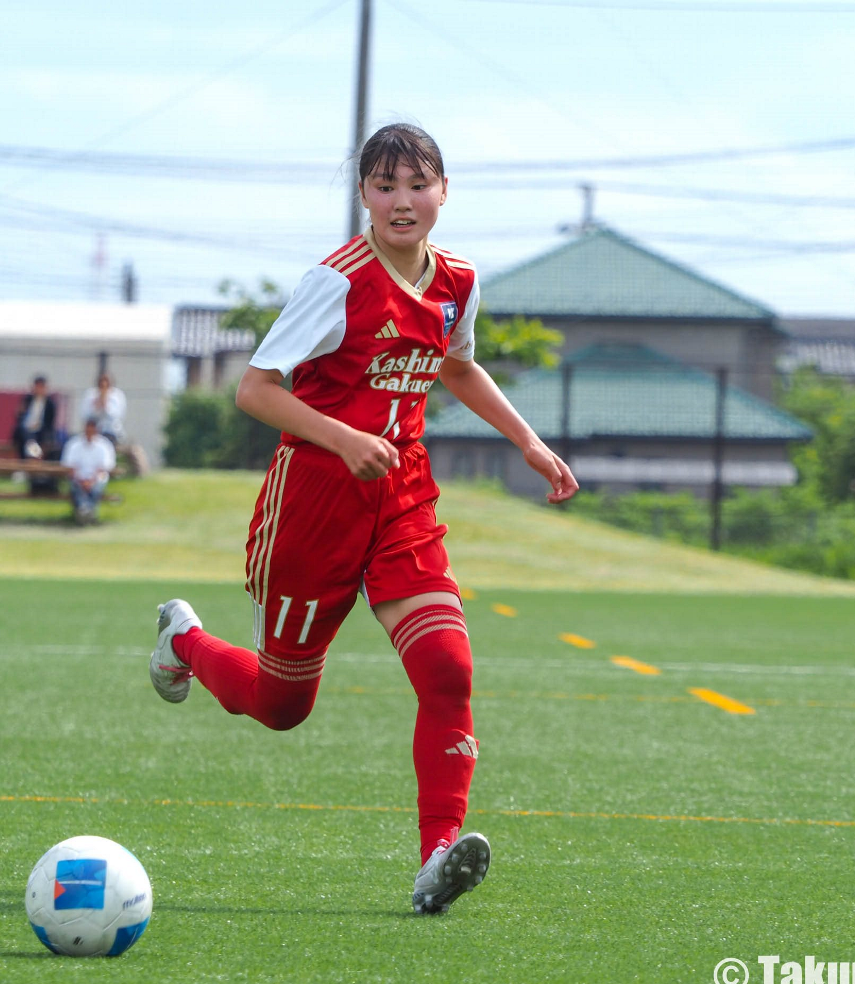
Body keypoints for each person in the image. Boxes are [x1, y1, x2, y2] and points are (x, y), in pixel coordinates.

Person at [146, 124, 578, 915]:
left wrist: (527, 441)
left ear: (444, 191)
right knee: (282, 707)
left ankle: (437, 856)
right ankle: (185, 642)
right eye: (385, 186)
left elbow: (457, 365)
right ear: (364, 196)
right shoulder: (336, 281)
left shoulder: (458, 281)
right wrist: (344, 438)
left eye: (417, 185)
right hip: (314, 500)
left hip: (403, 496)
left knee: (448, 668)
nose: (402, 201)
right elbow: (255, 389)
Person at [61, 416, 116, 525]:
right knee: (77, 489)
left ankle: (85, 511)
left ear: (97, 430)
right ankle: (86, 511)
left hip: (97, 479)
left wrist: (91, 481)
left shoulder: (104, 446)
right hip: (78, 479)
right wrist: (81, 481)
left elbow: (104, 468)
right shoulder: (74, 444)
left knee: (95, 489)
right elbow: (70, 466)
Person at [11, 374, 58, 461]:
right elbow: (19, 418)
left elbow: (50, 423)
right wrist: (19, 413)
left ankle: (31, 457)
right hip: (25, 429)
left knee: (30, 436)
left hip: (40, 430)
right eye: (37, 387)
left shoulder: (50, 404)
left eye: (41, 387)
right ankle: (34, 454)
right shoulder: (27, 399)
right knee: (25, 432)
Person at [79, 373, 127, 446]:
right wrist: (96, 407)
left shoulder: (117, 396)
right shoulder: (90, 394)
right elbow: (84, 415)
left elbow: (118, 415)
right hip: (93, 432)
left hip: (111, 432)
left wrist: (105, 404)